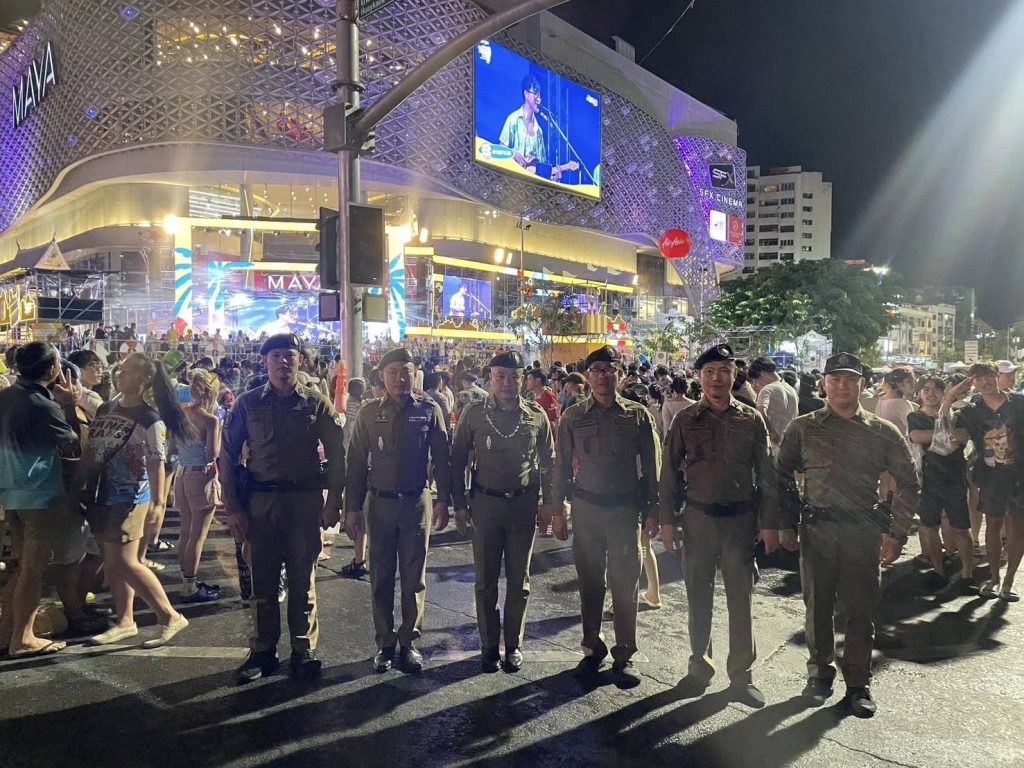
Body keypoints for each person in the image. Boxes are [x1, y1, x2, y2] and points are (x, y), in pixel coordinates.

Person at [773, 352, 919, 717]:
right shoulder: (803, 428)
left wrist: (897, 533)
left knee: (860, 610)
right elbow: (780, 476)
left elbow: (909, 482)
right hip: (817, 531)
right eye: (835, 379)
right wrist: (784, 523)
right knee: (817, 608)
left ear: (862, 384)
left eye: (850, 379)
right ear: (823, 384)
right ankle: (819, 675)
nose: (842, 386)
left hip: (862, 532)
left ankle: (857, 684)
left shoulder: (882, 431)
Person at [221, 333, 346, 683]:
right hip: (260, 505)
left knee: (303, 579)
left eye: (290, 355)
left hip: (303, 503)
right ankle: (264, 651)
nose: (283, 362)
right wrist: (233, 507)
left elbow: (337, 455)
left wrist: (334, 501)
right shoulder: (247, 404)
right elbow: (227, 457)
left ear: (300, 361)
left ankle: (303, 650)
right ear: (266, 361)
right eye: (276, 356)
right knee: (262, 581)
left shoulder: (316, 403)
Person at [658, 344, 775, 708]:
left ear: (734, 375)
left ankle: (742, 675)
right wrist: (666, 521)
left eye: (724, 371)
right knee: (698, 596)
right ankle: (699, 667)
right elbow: (669, 473)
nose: (716, 378)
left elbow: (766, 473)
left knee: (741, 599)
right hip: (698, 521)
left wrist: (769, 523)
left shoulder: (751, 419)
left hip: (740, 521)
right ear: (699, 376)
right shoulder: (685, 420)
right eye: (709, 372)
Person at [551, 345, 661, 687]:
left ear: (620, 374)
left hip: (625, 510)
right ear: (588, 375)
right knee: (590, 581)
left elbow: (653, 467)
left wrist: (654, 510)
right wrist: (557, 509)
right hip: (587, 510)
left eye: (610, 369)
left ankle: (625, 653)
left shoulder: (638, 415)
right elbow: (561, 465)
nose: (603, 376)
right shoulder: (573, 416)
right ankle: (592, 648)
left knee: (626, 582)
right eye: (597, 370)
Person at [345, 347, 451, 674]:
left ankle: (409, 642)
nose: (400, 378)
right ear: (382, 376)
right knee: (380, 576)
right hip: (379, 505)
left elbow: (443, 459)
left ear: (415, 374)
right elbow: (356, 463)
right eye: (393, 372)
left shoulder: (429, 410)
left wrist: (445, 501)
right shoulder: (368, 413)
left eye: (406, 372)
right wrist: (352, 509)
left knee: (414, 577)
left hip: (416, 503)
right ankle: (385, 643)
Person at [450, 351, 555, 673]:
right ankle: (488, 645)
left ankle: (513, 644)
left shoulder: (536, 415)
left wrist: (549, 504)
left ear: (522, 379)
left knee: (519, 580)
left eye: (513, 376)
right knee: (486, 580)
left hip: (523, 505)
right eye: (500, 376)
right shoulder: (474, 413)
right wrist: (459, 506)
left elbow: (549, 463)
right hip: (486, 505)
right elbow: (457, 460)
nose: (507, 383)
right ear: (490, 378)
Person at [81, 353, 192, 649]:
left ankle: (169, 616)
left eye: (128, 372)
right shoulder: (106, 407)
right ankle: (125, 621)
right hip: (103, 493)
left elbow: (156, 463)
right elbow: (92, 449)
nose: (120, 375)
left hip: (131, 496)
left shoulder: (150, 419)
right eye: (120, 370)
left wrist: (158, 504)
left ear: (145, 379)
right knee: (113, 563)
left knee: (127, 562)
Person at [0, 343, 82, 657]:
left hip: (11, 492)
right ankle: (23, 638)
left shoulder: (6, 396)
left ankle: (7, 633)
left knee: (22, 569)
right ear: (51, 370)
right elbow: (73, 444)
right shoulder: (43, 405)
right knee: (32, 572)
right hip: (39, 494)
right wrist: (69, 407)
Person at [949, 362, 1024, 601]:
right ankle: (993, 578)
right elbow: (948, 435)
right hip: (991, 477)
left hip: (1020, 475)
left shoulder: (1019, 403)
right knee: (992, 526)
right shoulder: (971, 410)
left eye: (989, 376)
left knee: (1019, 528)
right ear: (972, 382)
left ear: (997, 376)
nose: (985, 382)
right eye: (978, 378)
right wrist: (949, 397)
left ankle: (1009, 581)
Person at [907, 376, 974, 590]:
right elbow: (917, 436)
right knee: (929, 527)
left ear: (945, 392)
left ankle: (967, 575)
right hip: (929, 481)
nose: (930, 393)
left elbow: (961, 436)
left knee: (961, 528)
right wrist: (944, 434)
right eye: (925, 389)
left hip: (955, 479)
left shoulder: (960, 415)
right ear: (919, 393)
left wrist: (937, 432)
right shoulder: (915, 416)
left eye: (936, 388)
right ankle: (938, 571)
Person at [172, 369, 223, 602]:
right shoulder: (210, 420)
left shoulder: (181, 415)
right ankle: (190, 587)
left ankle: (186, 581)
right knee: (198, 535)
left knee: (185, 530)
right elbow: (212, 454)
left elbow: (173, 448)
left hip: (182, 473)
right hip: (201, 475)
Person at [747, 357, 798, 454]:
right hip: (789, 446)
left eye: (757, 378)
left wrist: (771, 432)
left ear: (762, 373)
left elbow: (760, 411)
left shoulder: (768, 389)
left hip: (772, 447)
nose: (757, 382)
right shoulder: (791, 390)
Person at [499, 75, 548, 172]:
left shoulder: (539, 131)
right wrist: (513, 154)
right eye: (535, 93)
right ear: (526, 94)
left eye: (539, 95)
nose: (538, 99)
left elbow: (542, 164)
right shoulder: (513, 119)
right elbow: (500, 149)